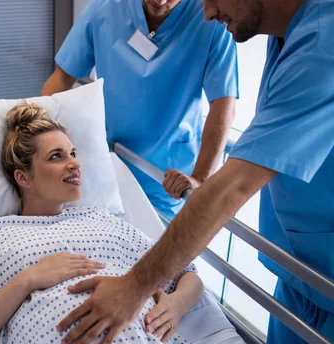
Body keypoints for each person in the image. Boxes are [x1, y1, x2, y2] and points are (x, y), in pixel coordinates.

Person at [0, 103, 312, 344]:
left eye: (74, 153)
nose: (74, 164)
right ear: (22, 177)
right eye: (56, 157)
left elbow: (187, 275)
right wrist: (28, 279)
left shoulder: (105, 221)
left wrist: (176, 306)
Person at [55, 0, 334, 344]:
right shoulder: (287, 33)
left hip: (324, 272)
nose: (205, 13)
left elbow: (231, 190)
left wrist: (137, 289)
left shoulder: (324, 41)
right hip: (297, 273)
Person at [41, 0, 238, 218]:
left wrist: (200, 178)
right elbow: (62, 77)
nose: (160, 1)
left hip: (168, 179)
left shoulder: (210, 19)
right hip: (106, 162)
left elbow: (223, 104)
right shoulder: (105, 8)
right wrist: (35, 134)